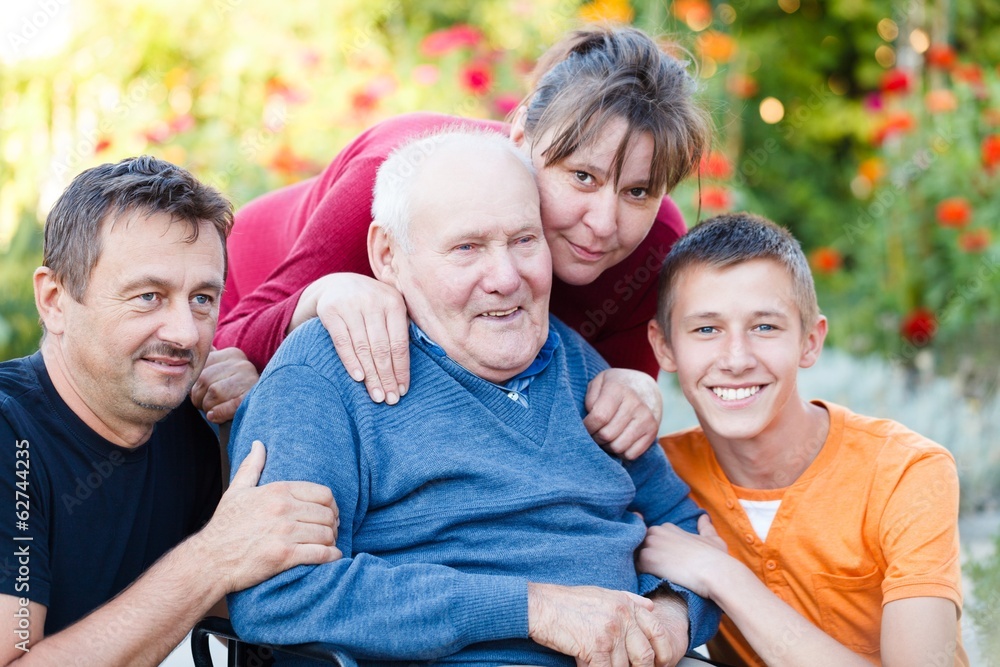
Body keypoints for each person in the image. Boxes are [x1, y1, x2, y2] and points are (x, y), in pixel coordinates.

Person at [228, 129, 719, 666]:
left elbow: (682, 526)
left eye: (524, 241)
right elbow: (278, 595)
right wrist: (532, 610)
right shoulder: (324, 373)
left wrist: (673, 617)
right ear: (387, 255)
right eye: (467, 248)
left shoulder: (581, 368)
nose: (506, 278)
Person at [214, 25, 711, 460]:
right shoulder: (401, 185)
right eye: (582, 176)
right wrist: (321, 296)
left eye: (638, 191)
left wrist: (635, 389)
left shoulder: (653, 247)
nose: (604, 223)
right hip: (251, 281)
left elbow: (593, 429)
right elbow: (224, 341)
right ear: (520, 139)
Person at [0, 157, 341, 665]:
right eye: (148, 296)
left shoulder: (193, 422)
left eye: (202, 298)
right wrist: (213, 556)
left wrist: (247, 423)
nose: (185, 333)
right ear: (55, 300)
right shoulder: (11, 436)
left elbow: (249, 617)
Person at [638, 212, 967, 666]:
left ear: (810, 342)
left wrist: (721, 574)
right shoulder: (660, 476)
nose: (736, 359)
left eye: (765, 327)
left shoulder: (906, 472)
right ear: (665, 348)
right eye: (706, 329)